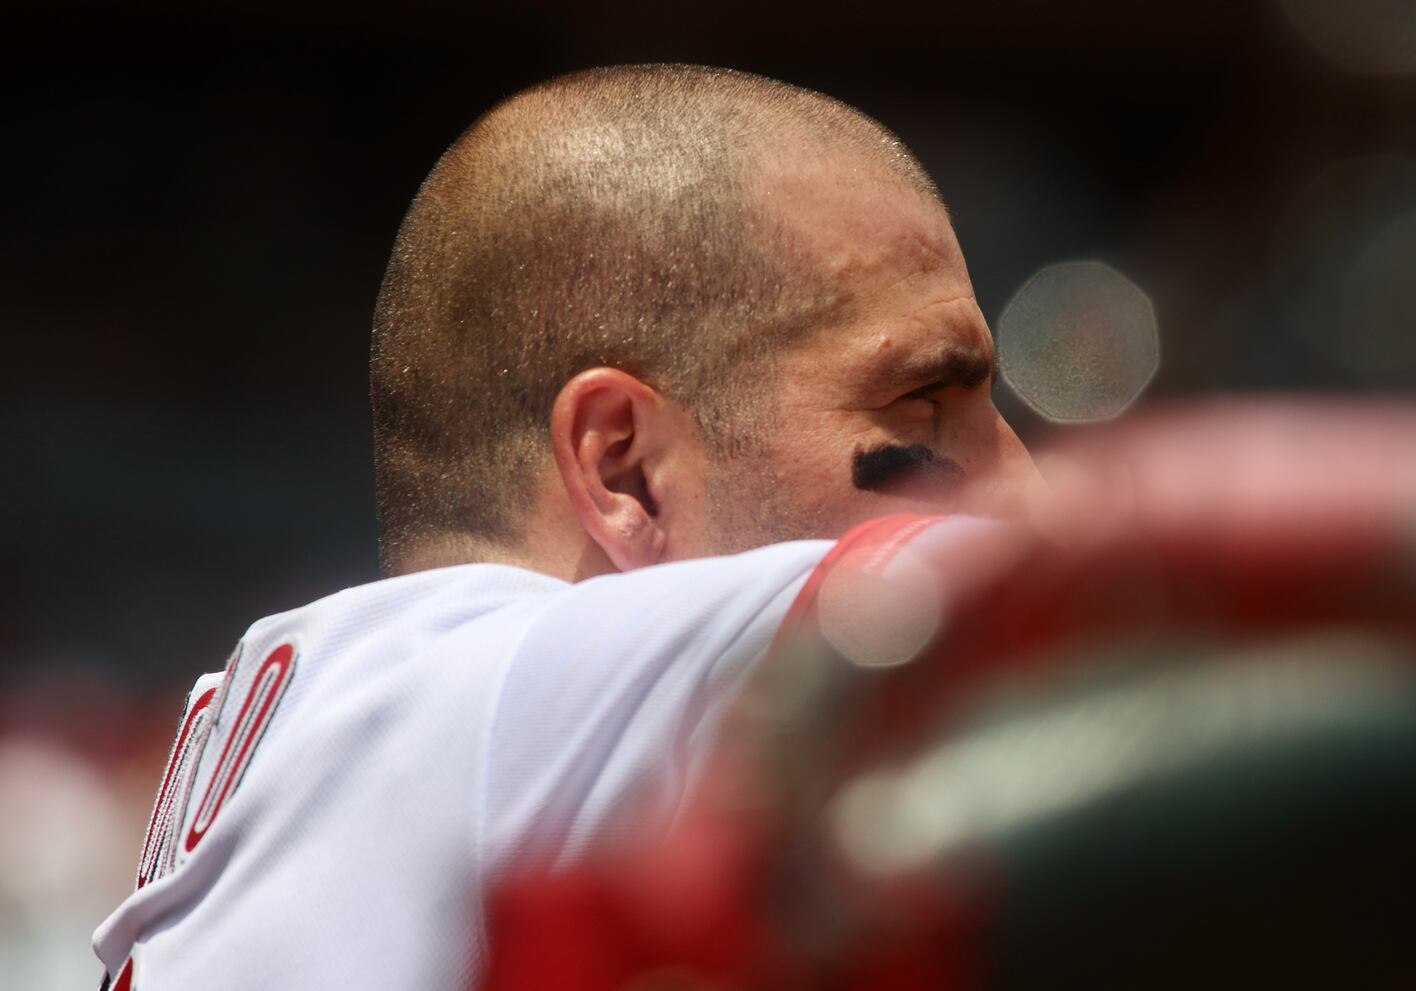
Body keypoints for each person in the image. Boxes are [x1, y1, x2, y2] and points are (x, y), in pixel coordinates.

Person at [92, 64, 1040, 989]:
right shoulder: (499, 670)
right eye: (922, 400)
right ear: (624, 466)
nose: (1020, 484)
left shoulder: (391, 714)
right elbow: (1063, 585)